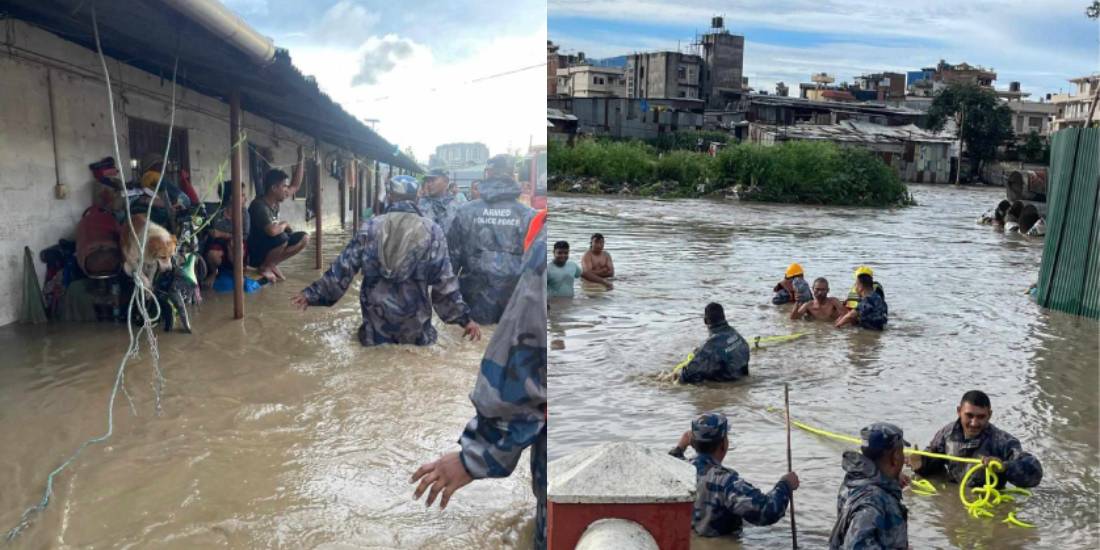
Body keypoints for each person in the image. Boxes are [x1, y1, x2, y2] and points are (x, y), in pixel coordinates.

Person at [412, 210, 547, 549]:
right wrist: (460, 318)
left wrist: (476, 454)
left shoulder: (461, 216)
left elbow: (524, 351)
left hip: (410, 316)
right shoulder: (528, 217)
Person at [291, 175, 481, 347]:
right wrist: (465, 319)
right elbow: (444, 283)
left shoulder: (370, 227)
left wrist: (311, 294)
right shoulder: (432, 231)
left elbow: (343, 268)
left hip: (375, 330)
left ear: (390, 197)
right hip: (416, 330)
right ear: (417, 198)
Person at [668, 412, 799, 537]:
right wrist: (785, 485)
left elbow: (671, 459)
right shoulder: (726, 481)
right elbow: (767, 512)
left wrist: (680, 446)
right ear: (723, 445)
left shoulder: (680, 468)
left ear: (693, 443)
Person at [447, 155, 536, 324]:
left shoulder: (465, 211)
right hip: (513, 298)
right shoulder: (529, 215)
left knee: (469, 344)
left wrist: (452, 304)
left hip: (472, 296)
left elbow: (450, 262)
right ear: (513, 175)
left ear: (487, 174)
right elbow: (536, 267)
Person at [908, 390, 1042, 489]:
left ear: (989, 415)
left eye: (981, 417)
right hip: (955, 501)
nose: (974, 423)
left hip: (988, 504)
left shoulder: (1003, 441)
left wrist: (1004, 467)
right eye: (969, 416)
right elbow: (934, 465)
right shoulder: (947, 434)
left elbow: (1034, 475)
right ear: (959, 411)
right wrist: (920, 464)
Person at [828, 422, 910, 549]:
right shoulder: (873, 502)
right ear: (895, 457)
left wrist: (891, 479)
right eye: (902, 452)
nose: (904, 458)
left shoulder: (854, 481)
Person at [247, 146, 307, 282]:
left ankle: (270, 264)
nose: (286, 189)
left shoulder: (275, 200)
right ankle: (264, 266)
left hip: (269, 247)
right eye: (283, 186)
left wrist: (301, 158)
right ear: (274, 188)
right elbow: (272, 231)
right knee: (283, 237)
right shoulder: (259, 205)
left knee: (304, 238)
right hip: (254, 253)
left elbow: (295, 186)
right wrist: (284, 224)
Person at [678, 303, 751, 384]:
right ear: (724, 317)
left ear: (705, 321)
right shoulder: (736, 334)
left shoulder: (711, 345)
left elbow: (686, 375)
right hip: (739, 376)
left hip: (726, 384)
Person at [202, 180, 250, 287]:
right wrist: (211, 231)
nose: (245, 199)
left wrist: (222, 234)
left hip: (238, 247)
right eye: (242, 195)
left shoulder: (244, 213)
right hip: (219, 247)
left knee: (235, 243)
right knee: (212, 254)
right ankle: (214, 272)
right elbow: (209, 230)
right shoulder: (217, 212)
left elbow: (245, 236)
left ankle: (239, 273)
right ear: (231, 197)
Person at [548, 241, 612, 297]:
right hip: (553, 304)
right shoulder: (547, 269)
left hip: (569, 303)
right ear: (553, 252)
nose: (563, 256)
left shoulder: (572, 265)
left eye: (566, 253)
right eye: (559, 253)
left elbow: (586, 275)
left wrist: (604, 282)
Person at [418, 169, 460, 235]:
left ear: (446, 181)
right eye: (427, 181)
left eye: (432, 180)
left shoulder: (457, 206)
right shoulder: (419, 204)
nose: (429, 184)